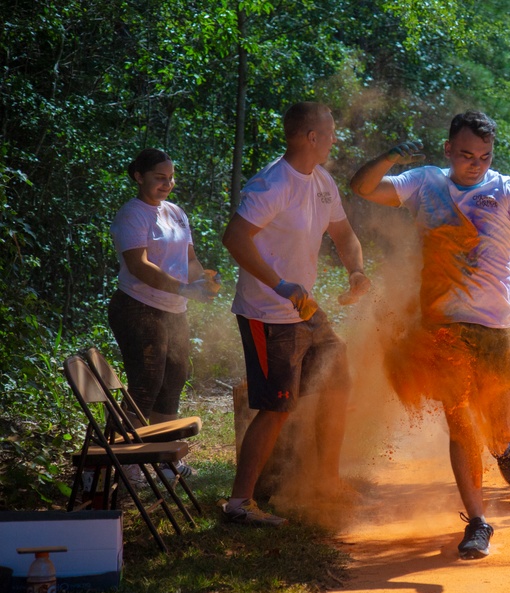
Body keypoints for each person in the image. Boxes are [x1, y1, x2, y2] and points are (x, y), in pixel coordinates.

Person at [350, 110, 510, 559]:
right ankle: (478, 520)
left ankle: (503, 445)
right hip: (443, 328)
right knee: (459, 423)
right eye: (468, 155)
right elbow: (362, 188)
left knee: (498, 428)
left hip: (498, 327)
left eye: (486, 156)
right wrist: (393, 155)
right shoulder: (424, 182)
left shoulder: (506, 191)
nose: (476, 164)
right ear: (449, 150)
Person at [221, 102, 371, 526]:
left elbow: (343, 233)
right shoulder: (272, 184)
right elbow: (235, 237)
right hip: (267, 313)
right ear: (311, 137)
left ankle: (327, 479)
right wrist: (279, 284)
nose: (335, 139)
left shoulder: (322, 182)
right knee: (276, 407)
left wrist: (356, 271)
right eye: (330, 132)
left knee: (338, 377)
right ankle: (239, 504)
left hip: (305, 311)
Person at [109, 148, 219, 478]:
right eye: (159, 178)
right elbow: (138, 265)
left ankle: (164, 459)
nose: (167, 184)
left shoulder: (175, 212)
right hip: (137, 308)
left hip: (175, 311)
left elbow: (190, 259)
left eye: (171, 178)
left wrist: (202, 281)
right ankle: (125, 462)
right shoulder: (132, 214)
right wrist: (182, 287)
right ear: (138, 176)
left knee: (173, 381)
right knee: (146, 383)